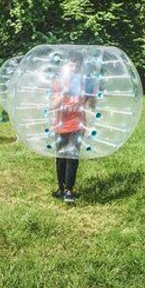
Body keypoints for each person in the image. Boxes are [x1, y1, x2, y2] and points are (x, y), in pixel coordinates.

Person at [51, 55, 87, 204]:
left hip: (77, 125)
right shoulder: (58, 83)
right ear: (67, 67)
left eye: (77, 66)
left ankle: (69, 190)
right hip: (61, 125)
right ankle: (60, 186)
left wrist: (86, 124)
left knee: (72, 157)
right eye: (71, 66)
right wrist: (63, 94)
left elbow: (87, 106)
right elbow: (52, 106)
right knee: (61, 158)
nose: (74, 69)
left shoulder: (83, 84)